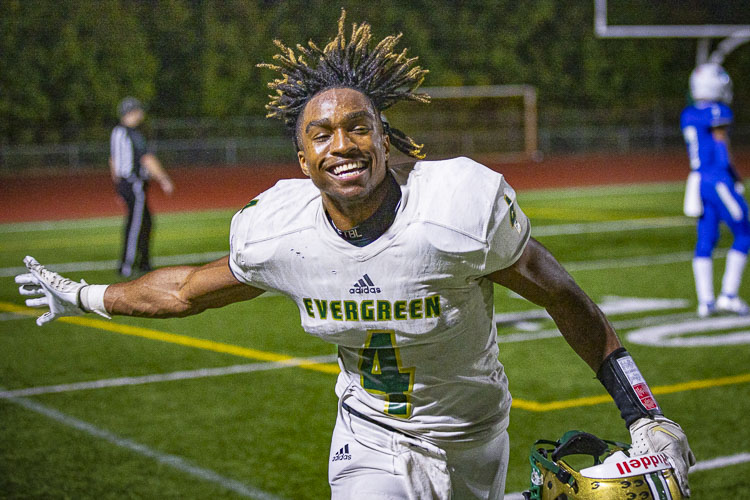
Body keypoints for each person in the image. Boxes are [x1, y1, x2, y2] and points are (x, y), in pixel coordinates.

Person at [17, 12, 694, 499]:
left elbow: (562, 296)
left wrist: (642, 413)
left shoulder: (456, 211)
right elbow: (184, 291)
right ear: (303, 157)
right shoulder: (280, 231)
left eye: (357, 127)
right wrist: (80, 295)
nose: (341, 143)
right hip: (369, 438)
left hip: (475, 433)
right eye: (321, 134)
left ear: (386, 139)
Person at [681, 63, 750, 319]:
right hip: (717, 179)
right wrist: (734, 177)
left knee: (706, 240)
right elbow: (721, 149)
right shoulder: (718, 111)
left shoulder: (688, 114)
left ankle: (705, 301)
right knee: (744, 232)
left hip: (698, 182)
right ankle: (728, 296)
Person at [110, 97, 174, 277]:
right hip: (134, 184)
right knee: (135, 225)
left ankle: (144, 262)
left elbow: (113, 161)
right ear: (131, 112)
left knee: (146, 222)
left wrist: (118, 187)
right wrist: (164, 179)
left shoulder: (116, 132)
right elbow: (146, 158)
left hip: (125, 183)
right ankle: (126, 265)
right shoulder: (133, 134)